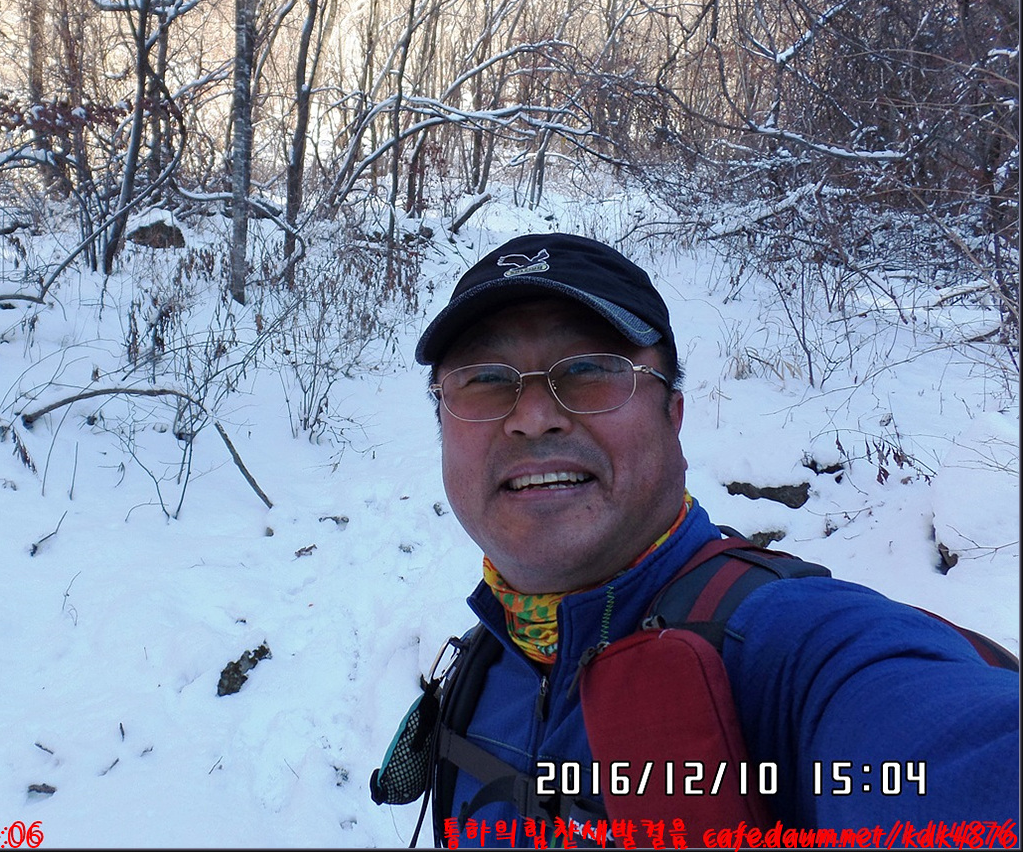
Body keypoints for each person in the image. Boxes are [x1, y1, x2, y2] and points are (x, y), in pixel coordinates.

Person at [405, 232, 1019, 844]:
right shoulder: (485, 665)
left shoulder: (791, 651)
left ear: (673, 416)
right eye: (485, 378)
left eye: (589, 369)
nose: (534, 417)